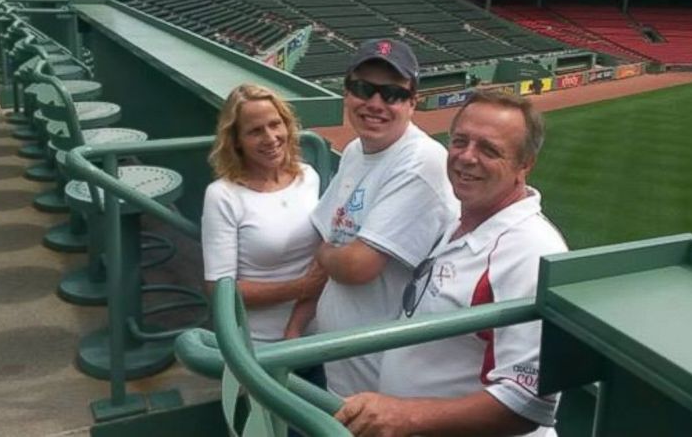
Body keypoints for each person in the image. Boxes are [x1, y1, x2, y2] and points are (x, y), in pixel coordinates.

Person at [335, 90, 568, 437]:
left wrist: (404, 415)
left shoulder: (530, 251)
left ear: (525, 164)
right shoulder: (464, 222)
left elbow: (528, 401)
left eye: (489, 150)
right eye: (460, 142)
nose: (466, 157)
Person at [300, 39, 459, 397]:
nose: (374, 104)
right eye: (362, 89)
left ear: (412, 102)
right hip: (340, 363)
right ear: (346, 93)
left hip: (381, 384)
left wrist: (328, 254)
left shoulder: (421, 162)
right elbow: (329, 232)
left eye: (391, 94)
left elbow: (356, 265)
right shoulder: (358, 150)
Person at [201, 84, 327, 344]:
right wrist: (301, 287)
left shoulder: (308, 177)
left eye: (274, 124)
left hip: (319, 334)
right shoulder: (222, 195)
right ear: (236, 140)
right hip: (259, 344)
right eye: (255, 131)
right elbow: (220, 290)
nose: (270, 138)